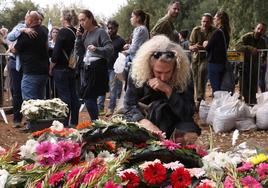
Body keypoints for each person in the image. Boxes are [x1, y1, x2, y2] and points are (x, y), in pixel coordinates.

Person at [124, 35, 201, 144]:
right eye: (158, 72)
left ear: (175, 67)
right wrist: (144, 122)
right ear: (149, 66)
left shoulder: (184, 74)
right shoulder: (137, 71)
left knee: (188, 136)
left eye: (168, 72)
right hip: (144, 117)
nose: (163, 78)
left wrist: (169, 91)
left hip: (175, 118)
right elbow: (129, 105)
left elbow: (188, 112)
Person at [75, 9, 113, 121]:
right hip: (87, 69)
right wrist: (78, 38)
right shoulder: (85, 34)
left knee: (88, 97)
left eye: (83, 20)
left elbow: (110, 49)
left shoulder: (100, 32)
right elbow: (79, 52)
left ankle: (96, 122)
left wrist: (97, 49)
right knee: (87, 96)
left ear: (90, 19)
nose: (81, 23)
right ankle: (96, 122)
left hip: (98, 68)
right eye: (80, 21)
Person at [50, 9, 80, 127]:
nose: (60, 18)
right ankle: (74, 122)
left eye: (61, 16)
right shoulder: (75, 31)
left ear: (65, 18)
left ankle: (65, 123)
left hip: (61, 68)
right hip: (72, 68)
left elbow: (56, 53)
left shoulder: (63, 31)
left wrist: (51, 66)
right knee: (73, 95)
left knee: (64, 96)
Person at [14, 11, 49, 100]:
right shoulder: (44, 30)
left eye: (26, 19)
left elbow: (15, 50)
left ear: (29, 20)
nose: (25, 21)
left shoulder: (26, 35)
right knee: (40, 101)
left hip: (31, 72)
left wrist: (11, 48)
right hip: (43, 71)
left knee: (29, 103)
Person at [236, 22, 267, 104]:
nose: (260, 31)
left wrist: (263, 59)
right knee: (244, 85)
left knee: (253, 85)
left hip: (255, 66)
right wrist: (249, 48)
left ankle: (252, 102)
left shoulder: (263, 41)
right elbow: (238, 46)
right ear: (255, 28)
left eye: (262, 30)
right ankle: (247, 101)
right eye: (259, 28)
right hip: (244, 64)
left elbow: (264, 51)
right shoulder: (247, 37)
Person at [189, 13, 216, 108]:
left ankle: (199, 99)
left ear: (211, 22)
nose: (205, 23)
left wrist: (200, 46)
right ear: (201, 21)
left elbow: (213, 45)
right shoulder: (196, 30)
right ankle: (197, 99)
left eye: (207, 22)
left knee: (202, 72)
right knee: (195, 79)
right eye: (203, 21)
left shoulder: (214, 31)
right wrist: (193, 47)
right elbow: (190, 44)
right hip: (196, 59)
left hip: (208, 58)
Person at [203, 10, 231, 94]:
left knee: (216, 89)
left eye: (215, 18)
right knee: (221, 88)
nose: (213, 20)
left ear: (219, 19)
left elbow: (208, 47)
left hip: (214, 63)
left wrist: (205, 43)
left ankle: (218, 105)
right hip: (222, 62)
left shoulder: (218, 32)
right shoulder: (226, 32)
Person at [104, 20, 125, 116]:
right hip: (104, 66)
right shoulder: (104, 39)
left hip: (114, 68)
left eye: (112, 28)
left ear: (116, 28)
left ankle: (111, 108)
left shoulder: (121, 41)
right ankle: (100, 107)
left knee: (113, 89)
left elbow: (123, 55)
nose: (110, 30)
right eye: (108, 28)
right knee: (102, 88)